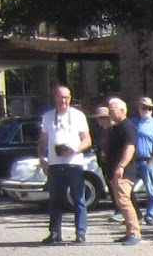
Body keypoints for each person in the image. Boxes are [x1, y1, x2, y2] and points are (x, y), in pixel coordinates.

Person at [38, 84, 92, 244]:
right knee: (55, 199)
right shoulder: (48, 116)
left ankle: (80, 233)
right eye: (61, 97)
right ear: (55, 98)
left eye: (67, 97)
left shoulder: (78, 116)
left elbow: (87, 139)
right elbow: (43, 140)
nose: (64, 101)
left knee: (78, 198)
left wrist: (75, 149)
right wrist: (42, 158)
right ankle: (55, 233)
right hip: (55, 164)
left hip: (74, 163)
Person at [101, 97, 142, 246]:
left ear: (122, 110)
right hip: (114, 171)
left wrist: (121, 166)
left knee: (124, 201)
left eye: (112, 110)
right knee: (120, 202)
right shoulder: (116, 128)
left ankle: (134, 233)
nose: (109, 113)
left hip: (124, 172)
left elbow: (130, 148)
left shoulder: (127, 127)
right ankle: (129, 232)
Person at [130, 97, 153, 225]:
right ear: (138, 108)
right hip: (132, 162)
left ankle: (150, 215)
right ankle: (135, 214)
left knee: (150, 192)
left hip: (147, 161)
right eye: (143, 107)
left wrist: (151, 163)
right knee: (127, 190)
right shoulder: (132, 123)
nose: (146, 110)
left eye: (149, 108)